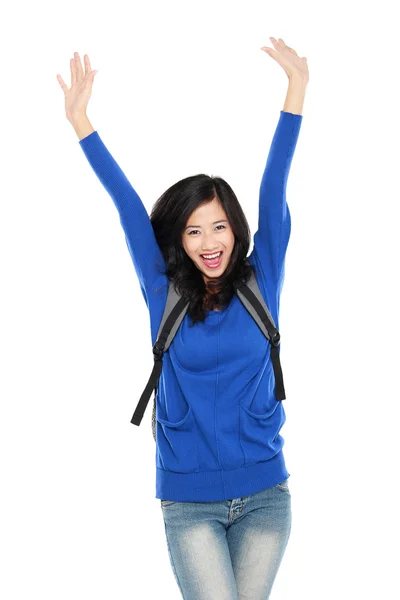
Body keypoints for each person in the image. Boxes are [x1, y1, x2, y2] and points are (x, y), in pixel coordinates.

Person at [57, 36, 309, 600]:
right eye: (193, 230)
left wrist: (295, 92)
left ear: (235, 229)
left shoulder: (261, 279)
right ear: (180, 239)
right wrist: (82, 124)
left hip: (267, 493)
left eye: (218, 226)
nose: (209, 241)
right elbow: (127, 206)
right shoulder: (162, 293)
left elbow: (274, 189)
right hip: (188, 500)